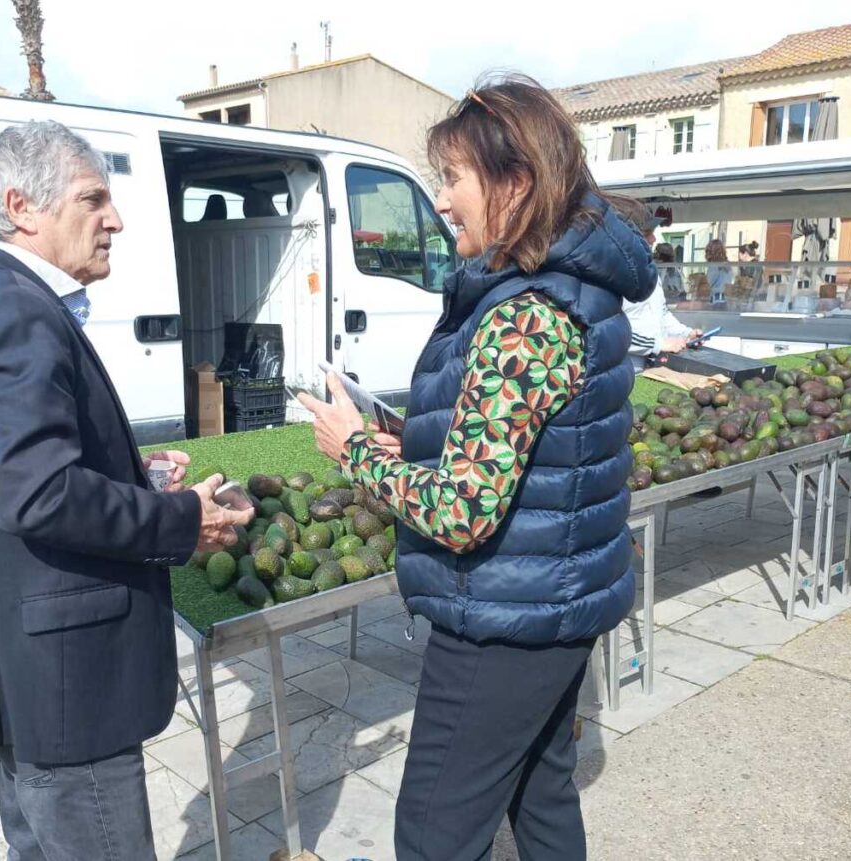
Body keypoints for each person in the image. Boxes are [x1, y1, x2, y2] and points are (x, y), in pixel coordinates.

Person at [298, 75, 655, 861]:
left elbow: (465, 509)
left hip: (502, 618)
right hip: (547, 602)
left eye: (453, 179)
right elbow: (518, 445)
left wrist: (354, 448)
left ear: (516, 183)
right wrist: (409, 442)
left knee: (433, 832)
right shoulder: (564, 291)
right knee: (542, 795)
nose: (442, 202)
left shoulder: (526, 312)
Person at [0, 120, 253, 860]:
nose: (117, 219)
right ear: (22, 207)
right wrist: (178, 519)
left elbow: (10, 473)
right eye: (93, 198)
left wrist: (130, 476)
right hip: (65, 684)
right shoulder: (12, 309)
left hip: (35, 675)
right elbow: (34, 492)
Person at [612, 201, 702, 373]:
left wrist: (685, 334)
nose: (653, 239)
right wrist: (658, 344)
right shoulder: (611, 276)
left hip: (654, 368)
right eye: (647, 233)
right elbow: (611, 334)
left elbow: (662, 313)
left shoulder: (650, 272)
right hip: (625, 372)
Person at [705, 238, 733, 303]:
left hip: (716, 298)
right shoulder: (727, 264)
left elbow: (708, 283)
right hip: (726, 297)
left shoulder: (714, 265)